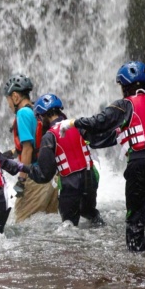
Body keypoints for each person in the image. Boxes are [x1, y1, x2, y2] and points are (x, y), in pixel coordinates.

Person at [56, 61, 145, 251]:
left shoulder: (124, 105)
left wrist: (74, 123)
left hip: (138, 164)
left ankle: (137, 258)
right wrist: (89, 139)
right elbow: (113, 136)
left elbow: (99, 121)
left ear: (124, 86)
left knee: (135, 217)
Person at [25, 94, 105, 227]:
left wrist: (22, 168)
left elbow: (45, 174)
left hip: (70, 185)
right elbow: (96, 140)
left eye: (39, 118)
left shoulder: (49, 137)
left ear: (44, 116)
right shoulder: (78, 125)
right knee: (90, 213)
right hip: (90, 179)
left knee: (69, 225)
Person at [3, 74, 58, 221]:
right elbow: (36, 143)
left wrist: (21, 180)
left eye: (8, 99)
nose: (8, 104)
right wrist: (12, 153)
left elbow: (27, 149)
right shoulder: (36, 110)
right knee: (49, 220)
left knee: (21, 221)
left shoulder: (22, 113)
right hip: (51, 175)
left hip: (34, 176)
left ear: (15, 97)